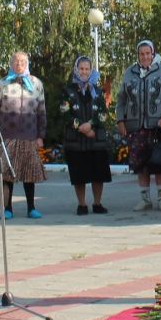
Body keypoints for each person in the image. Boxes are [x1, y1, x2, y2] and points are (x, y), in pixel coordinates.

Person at [0, 51, 48, 220]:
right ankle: (8, 208)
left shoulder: (36, 84)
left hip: (29, 136)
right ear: (11, 64)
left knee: (29, 174)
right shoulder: (2, 84)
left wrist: (40, 136)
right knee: (7, 173)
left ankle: (31, 207)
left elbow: (42, 112)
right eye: (15, 61)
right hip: (7, 135)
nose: (19, 64)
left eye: (22, 61)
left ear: (27, 64)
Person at [117, 40, 161, 211]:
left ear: (153, 53)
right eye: (141, 54)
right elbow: (121, 98)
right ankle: (145, 199)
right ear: (138, 55)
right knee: (140, 163)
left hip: (157, 125)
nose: (145, 57)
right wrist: (120, 120)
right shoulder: (130, 72)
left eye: (148, 53)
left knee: (159, 163)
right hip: (135, 126)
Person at [61, 55, 112, 215]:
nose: (84, 72)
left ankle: (97, 203)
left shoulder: (97, 90)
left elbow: (104, 114)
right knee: (79, 174)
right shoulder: (67, 90)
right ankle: (82, 204)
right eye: (81, 68)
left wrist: (91, 125)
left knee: (98, 173)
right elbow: (64, 112)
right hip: (76, 140)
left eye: (87, 69)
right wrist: (80, 127)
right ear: (76, 69)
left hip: (95, 138)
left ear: (91, 70)